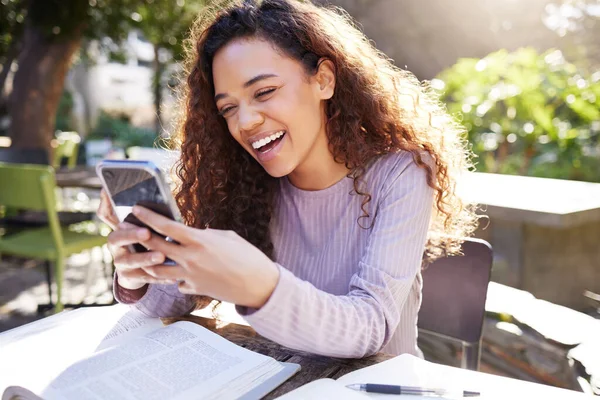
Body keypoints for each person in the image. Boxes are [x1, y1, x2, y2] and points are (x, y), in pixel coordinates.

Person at [97, 0, 478, 358]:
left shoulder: (402, 171)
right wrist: (138, 273)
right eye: (228, 108)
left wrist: (262, 286)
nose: (245, 122)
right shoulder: (244, 180)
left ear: (324, 80)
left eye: (264, 91)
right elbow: (173, 302)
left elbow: (370, 326)